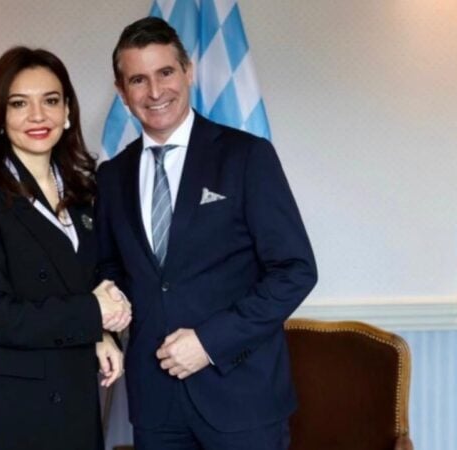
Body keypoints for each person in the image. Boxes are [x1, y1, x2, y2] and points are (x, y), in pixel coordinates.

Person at [95, 17, 317, 449]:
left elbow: (295, 270)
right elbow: (110, 271)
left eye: (165, 72)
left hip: (242, 400)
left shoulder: (247, 156)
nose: (155, 91)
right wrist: (102, 325)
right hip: (155, 404)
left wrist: (210, 342)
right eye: (138, 80)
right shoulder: (111, 176)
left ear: (188, 72)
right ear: (122, 92)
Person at [0, 46, 130, 450]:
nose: (37, 116)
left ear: (67, 112)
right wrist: (91, 314)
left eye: (50, 101)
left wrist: (101, 332)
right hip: (10, 408)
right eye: (19, 103)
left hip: (74, 396)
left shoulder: (83, 191)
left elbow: (87, 281)